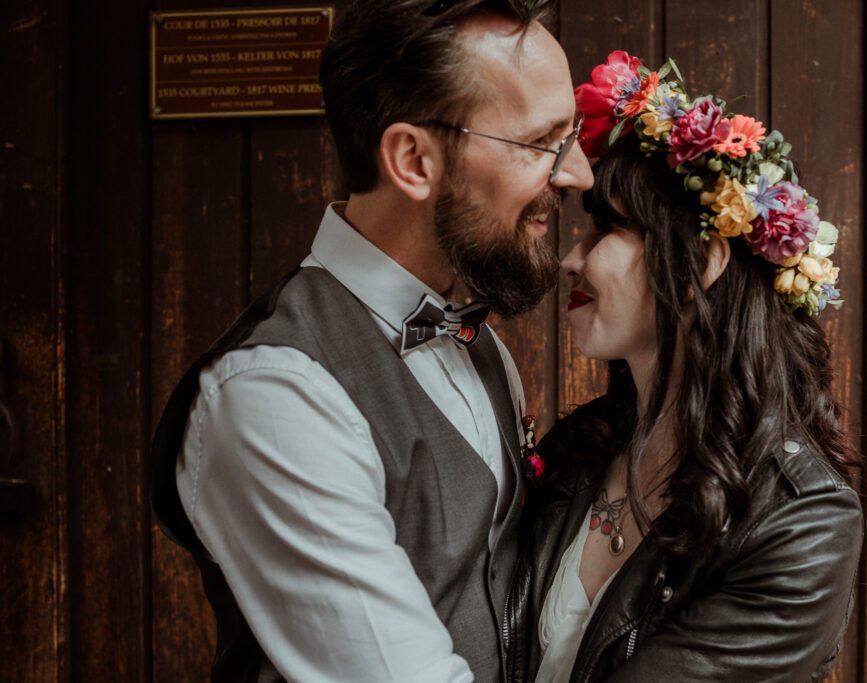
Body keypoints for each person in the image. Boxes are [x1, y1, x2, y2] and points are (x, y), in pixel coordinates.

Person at [150, 2, 593, 681]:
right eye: (544, 142)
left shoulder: (479, 342)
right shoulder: (274, 394)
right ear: (412, 159)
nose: (578, 174)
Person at [505, 51, 864, 682]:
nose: (570, 258)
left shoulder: (802, 522)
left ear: (701, 262)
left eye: (606, 230)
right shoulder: (577, 452)